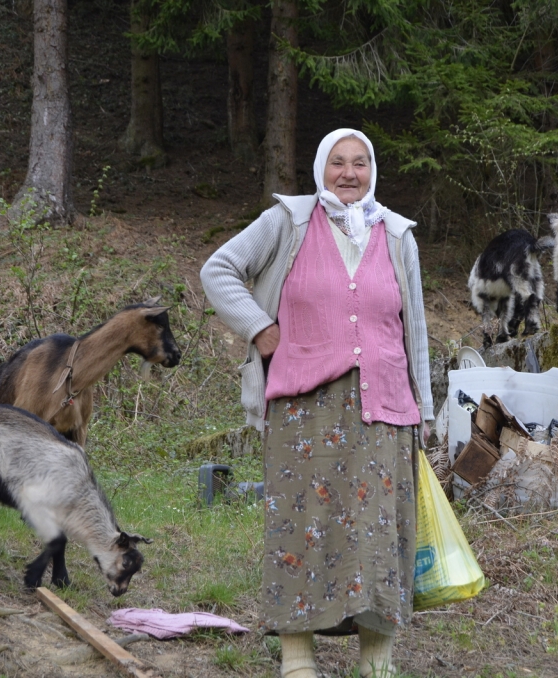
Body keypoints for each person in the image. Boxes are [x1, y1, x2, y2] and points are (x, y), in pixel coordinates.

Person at [201, 129, 433, 678]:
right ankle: (297, 656)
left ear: (373, 170)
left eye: (360, 163)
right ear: (319, 169)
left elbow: (415, 330)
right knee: (299, 527)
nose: (349, 173)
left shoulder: (397, 234)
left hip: (384, 407)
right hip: (305, 411)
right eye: (338, 163)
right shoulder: (288, 221)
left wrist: (424, 409)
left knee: (378, 531)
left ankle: (377, 659)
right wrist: (259, 328)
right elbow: (219, 270)